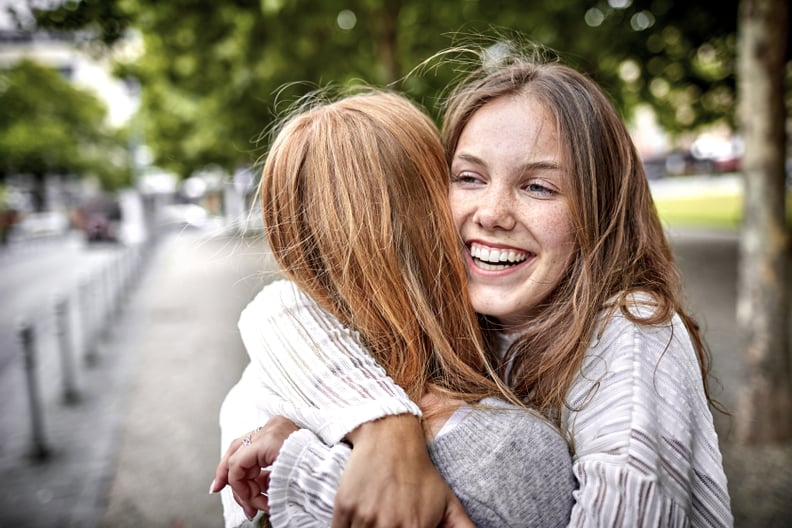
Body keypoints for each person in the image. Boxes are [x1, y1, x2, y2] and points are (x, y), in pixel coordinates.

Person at [214, 44, 733, 527]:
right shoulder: (458, 324)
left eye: (538, 186)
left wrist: (304, 462)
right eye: (469, 177)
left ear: (601, 212)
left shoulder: (633, 329)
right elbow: (283, 306)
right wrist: (375, 425)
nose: (493, 213)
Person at [211, 89, 576, 527]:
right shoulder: (509, 451)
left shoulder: (255, 401)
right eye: (464, 180)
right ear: (431, 218)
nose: (487, 212)